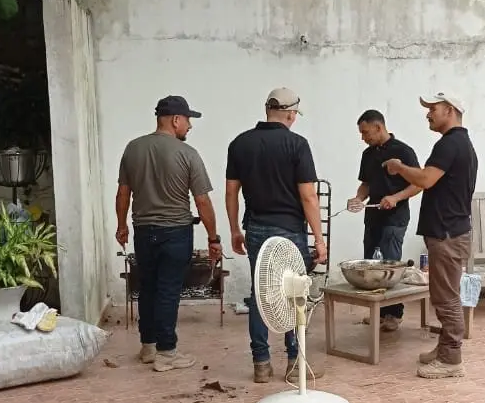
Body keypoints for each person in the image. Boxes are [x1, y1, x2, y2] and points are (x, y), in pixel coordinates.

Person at [225, 88, 327, 384]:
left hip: (256, 229)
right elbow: (308, 196)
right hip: (290, 231)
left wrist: (234, 229)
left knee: (261, 294)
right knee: (294, 294)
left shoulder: (240, 144)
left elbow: (232, 191)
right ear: (291, 114)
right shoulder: (297, 144)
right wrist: (318, 239)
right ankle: (295, 363)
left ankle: (261, 363)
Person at [115, 95, 222, 373]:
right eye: (188, 120)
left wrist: (121, 225)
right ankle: (167, 352)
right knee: (168, 291)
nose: (190, 126)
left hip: (143, 230)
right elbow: (202, 202)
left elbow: (123, 192)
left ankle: (148, 346)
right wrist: (213, 237)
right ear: (175, 120)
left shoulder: (133, 149)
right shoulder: (188, 154)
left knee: (148, 287)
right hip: (175, 232)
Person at [383, 92, 477, 379]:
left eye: (432, 109)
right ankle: (445, 348)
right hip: (449, 230)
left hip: (448, 233)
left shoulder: (450, 144)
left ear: (449, 110)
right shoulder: (458, 143)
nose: (428, 114)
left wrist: (399, 167)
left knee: (446, 296)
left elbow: (425, 180)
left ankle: (451, 359)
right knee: (442, 293)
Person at [346, 110, 422, 332]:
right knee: (371, 265)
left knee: (390, 264)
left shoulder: (404, 152)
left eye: (365, 132)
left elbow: (418, 184)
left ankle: (394, 315)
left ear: (379, 127)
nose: (363, 137)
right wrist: (358, 199)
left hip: (395, 218)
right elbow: (366, 184)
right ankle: (378, 312)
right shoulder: (367, 155)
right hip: (373, 217)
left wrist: (395, 198)